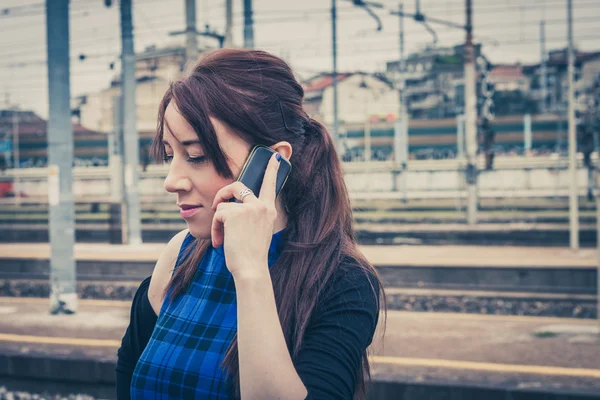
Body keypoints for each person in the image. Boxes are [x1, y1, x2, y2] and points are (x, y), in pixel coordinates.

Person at [116, 48, 386, 400]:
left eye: (196, 155)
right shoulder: (180, 254)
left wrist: (250, 272)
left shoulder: (343, 282)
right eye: (170, 155)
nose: (171, 180)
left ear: (272, 162)